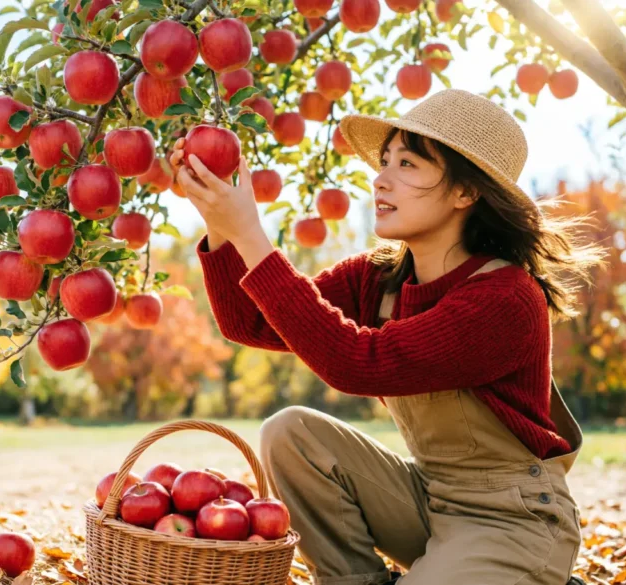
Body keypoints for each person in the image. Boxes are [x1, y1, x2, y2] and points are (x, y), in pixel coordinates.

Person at [169, 88, 599, 585]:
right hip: (430, 498)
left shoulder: (505, 298)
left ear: (466, 193)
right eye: (385, 160)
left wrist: (251, 234)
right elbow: (250, 322)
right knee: (291, 433)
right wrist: (219, 223)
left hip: (515, 520)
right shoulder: (378, 277)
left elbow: (359, 362)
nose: (381, 179)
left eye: (408, 165)